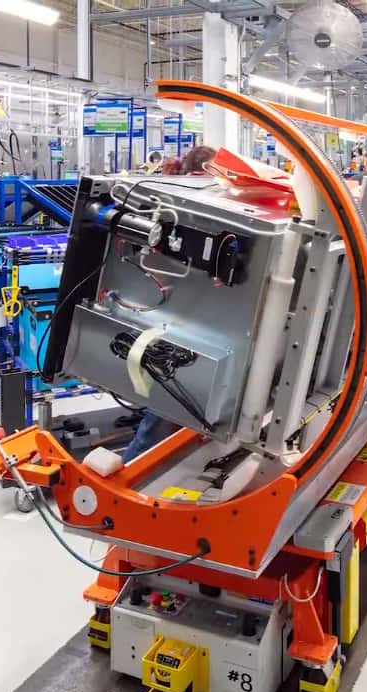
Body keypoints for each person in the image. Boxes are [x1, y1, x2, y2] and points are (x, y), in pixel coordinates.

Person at [121, 145, 217, 463]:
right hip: (171, 321)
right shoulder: (174, 210)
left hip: (188, 322)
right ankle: (132, 474)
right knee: (162, 414)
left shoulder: (194, 208)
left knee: (168, 409)